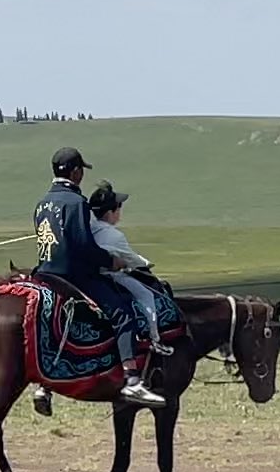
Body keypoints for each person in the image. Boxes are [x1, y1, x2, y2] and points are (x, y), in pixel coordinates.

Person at [32, 147, 162, 405]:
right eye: (81, 170)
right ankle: (132, 379)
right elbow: (84, 246)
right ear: (75, 172)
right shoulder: (76, 202)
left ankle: (42, 385)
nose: (82, 174)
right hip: (73, 276)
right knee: (123, 314)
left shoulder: (42, 203)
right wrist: (111, 261)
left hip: (44, 273)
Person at [89, 186, 177, 350]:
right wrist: (145, 263)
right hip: (111, 275)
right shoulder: (115, 236)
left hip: (92, 276)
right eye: (118, 208)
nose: (120, 212)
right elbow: (130, 259)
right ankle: (154, 337)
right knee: (146, 294)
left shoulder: (89, 229)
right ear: (110, 212)